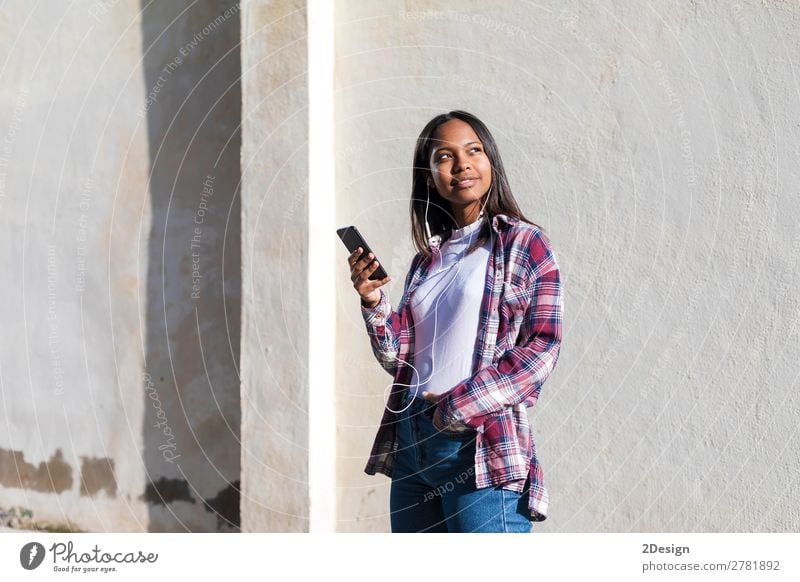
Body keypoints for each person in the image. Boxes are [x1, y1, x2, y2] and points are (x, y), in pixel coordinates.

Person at [346, 110, 564, 533]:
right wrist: (373, 300)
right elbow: (398, 359)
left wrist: (456, 407)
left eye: (473, 150)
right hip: (413, 446)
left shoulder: (523, 243)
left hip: (479, 445)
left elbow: (542, 347)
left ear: (490, 162)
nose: (462, 163)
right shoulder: (427, 260)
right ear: (430, 177)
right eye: (445, 156)